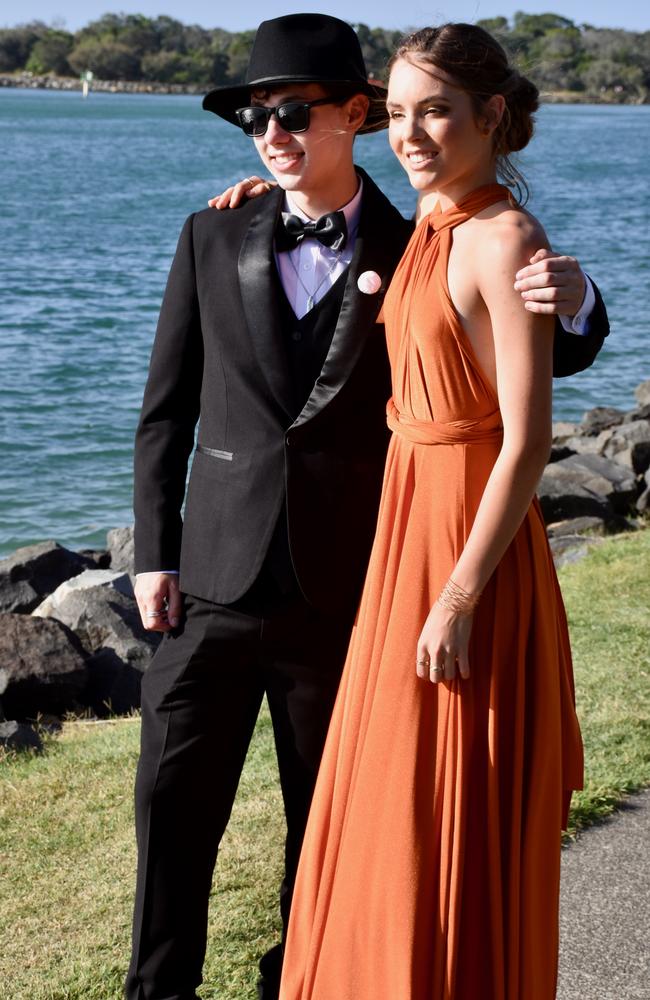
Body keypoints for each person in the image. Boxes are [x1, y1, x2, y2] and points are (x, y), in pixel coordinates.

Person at [127, 15, 608, 1000]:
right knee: (170, 813)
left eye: (293, 111)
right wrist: (151, 551)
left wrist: (578, 295)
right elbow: (163, 407)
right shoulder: (216, 228)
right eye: (257, 117)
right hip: (213, 578)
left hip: (354, 583)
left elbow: (523, 352)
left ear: (350, 118)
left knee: (344, 828)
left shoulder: (426, 230)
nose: (272, 131)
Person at [276, 22, 590, 1000]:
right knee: (383, 810)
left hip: (465, 561)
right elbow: (334, 233)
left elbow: (526, 442)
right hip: (402, 545)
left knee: (445, 816)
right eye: (398, 114)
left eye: (435, 112)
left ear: (489, 116)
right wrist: (265, 200)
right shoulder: (427, 226)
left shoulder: (503, 239)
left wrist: (454, 598)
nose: (409, 134)